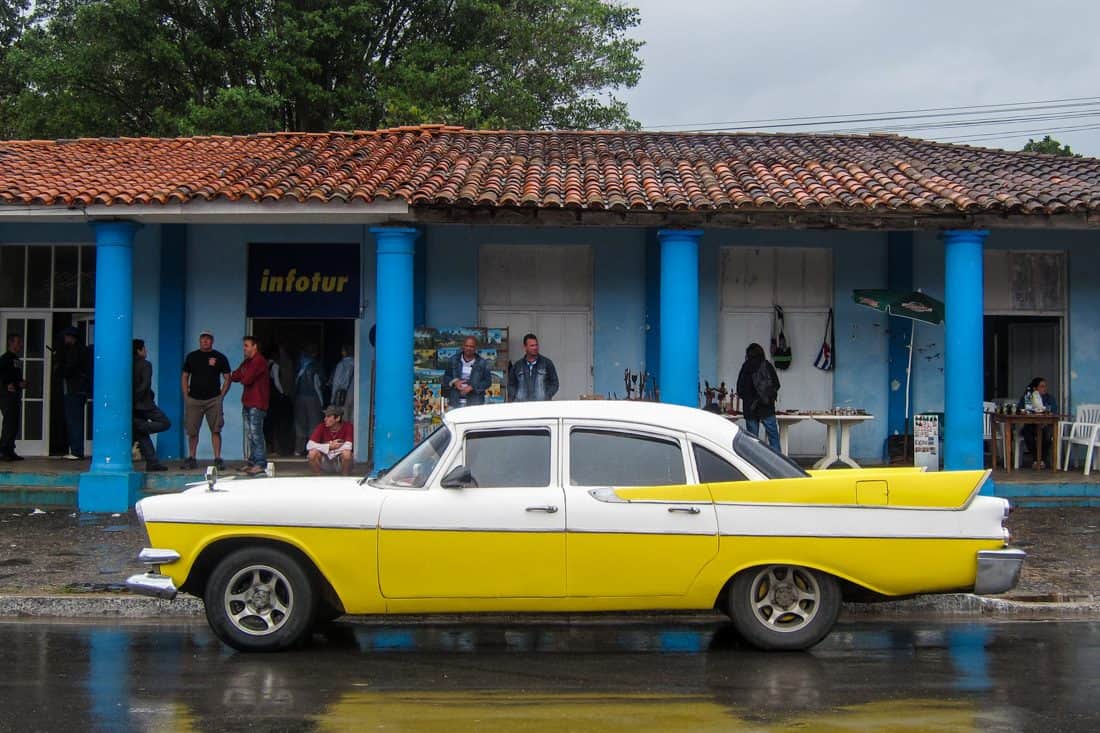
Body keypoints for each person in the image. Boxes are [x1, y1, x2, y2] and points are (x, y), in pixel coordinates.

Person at [181, 330, 231, 470]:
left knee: (216, 430)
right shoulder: (192, 357)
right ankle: (191, 457)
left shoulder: (219, 357)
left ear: (212, 341)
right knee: (192, 431)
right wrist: (186, 395)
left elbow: (228, 377)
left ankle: (217, 458)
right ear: (199, 340)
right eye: (203, 338)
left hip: (213, 400)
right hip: (194, 400)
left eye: (208, 338)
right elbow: (185, 376)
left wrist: (222, 395)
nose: (205, 341)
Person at [230, 336, 270, 476]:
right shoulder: (247, 362)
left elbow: (246, 379)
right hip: (247, 402)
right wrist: (242, 373)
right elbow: (234, 376)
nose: (244, 348)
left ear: (255, 347)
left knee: (256, 434)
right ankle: (252, 462)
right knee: (249, 435)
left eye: (246, 345)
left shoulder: (259, 361)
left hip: (257, 403)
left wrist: (242, 374)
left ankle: (260, 463)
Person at [132, 339, 170, 471]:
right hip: (144, 403)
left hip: (133, 405)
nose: (146, 351)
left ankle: (152, 462)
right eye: (144, 348)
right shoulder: (145, 364)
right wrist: (137, 398)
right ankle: (138, 426)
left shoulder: (126, 364)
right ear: (139, 350)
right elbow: (145, 384)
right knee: (165, 423)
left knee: (142, 435)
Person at [736, 342, 782, 453]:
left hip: (750, 409)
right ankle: (777, 464)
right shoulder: (767, 366)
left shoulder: (745, 368)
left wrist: (749, 399)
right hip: (767, 407)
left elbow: (740, 390)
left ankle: (754, 465)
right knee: (773, 438)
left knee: (752, 440)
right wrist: (768, 397)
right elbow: (777, 384)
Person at [55, 326, 91, 459]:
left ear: (71, 337)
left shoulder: (75, 351)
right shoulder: (82, 350)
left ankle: (76, 451)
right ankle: (76, 450)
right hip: (79, 389)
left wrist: (59, 368)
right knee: (75, 419)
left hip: (74, 389)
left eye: (66, 337)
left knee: (73, 420)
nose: (64, 339)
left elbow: (69, 369)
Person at [1017, 376, 1057, 469]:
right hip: (1031, 424)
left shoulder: (1049, 398)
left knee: (1047, 435)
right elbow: (1020, 409)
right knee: (1027, 433)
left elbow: (1054, 411)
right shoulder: (1028, 397)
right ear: (1035, 388)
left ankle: (1042, 460)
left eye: (1045, 386)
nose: (1045, 388)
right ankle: (1036, 460)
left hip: (1045, 425)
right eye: (1042, 386)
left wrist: (1046, 411)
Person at [264, 343, 295, 457]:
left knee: (270, 423)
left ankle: (271, 447)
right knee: (279, 423)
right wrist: (284, 393)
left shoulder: (265, 364)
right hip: (276, 397)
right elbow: (277, 381)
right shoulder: (275, 365)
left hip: (268, 396)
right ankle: (278, 448)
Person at [507, 333, 559, 402]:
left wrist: (547, 395)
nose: (535, 348)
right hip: (521, 407)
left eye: (536, 345)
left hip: (541, 407)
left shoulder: (547, 363)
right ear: (525, 347)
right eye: (532, 345)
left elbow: (555, 383)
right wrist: (514, 396)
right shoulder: (517, 366)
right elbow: (511, 384)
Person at [442, 336, 491, 408]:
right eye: (466, 346)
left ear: (475, 348)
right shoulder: (454, 359)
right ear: (463, 346)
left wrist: (472, 387)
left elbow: (487, 382)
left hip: (475, 401)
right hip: (455, 400)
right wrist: (454, 382)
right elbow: (446, 377)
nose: (468, 348)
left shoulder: (482, 362)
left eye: (471, 346)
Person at [0, 334, 27, 461]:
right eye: (18, 342)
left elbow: (14, 376)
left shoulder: (16, 359)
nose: (20, 345)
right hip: (6, 396)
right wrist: (6, 385)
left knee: (14, 423)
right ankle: (3, 451)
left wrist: (21, 383)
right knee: (9, 423)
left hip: (15, 395)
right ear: (11, 343)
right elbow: (3, 377)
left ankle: (10, 450)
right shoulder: (4, 359)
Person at [294, 345, 325, 455]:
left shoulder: (299, 364)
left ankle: (298, 450)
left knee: (300, 424)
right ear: (315, 353)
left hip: (299, 397)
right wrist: (321, 402)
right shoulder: (315, 365)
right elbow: (318, 384)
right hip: (313, 397)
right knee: (314, 424)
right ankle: (312, 450)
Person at [306, 406, 354, 475]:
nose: (325, 419)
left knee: (347, 454)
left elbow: (348, 446)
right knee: (312, 453)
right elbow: (309, 445)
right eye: (325, 416)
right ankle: (318, 477)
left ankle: (345, 477)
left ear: (337, 418)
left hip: (340, 462)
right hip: (325, 461)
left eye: (328, 417)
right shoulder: (321, 426)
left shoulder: (348, 426)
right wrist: (328, 446)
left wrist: (332, 447)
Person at [329, 343, 354, 415]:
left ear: (345, 352)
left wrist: (333, 398)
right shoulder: (357, 363)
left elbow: (336, 382)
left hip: (342, 394)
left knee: (344, 416)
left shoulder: (341, 364)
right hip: (354, 393)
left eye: (342, 350)